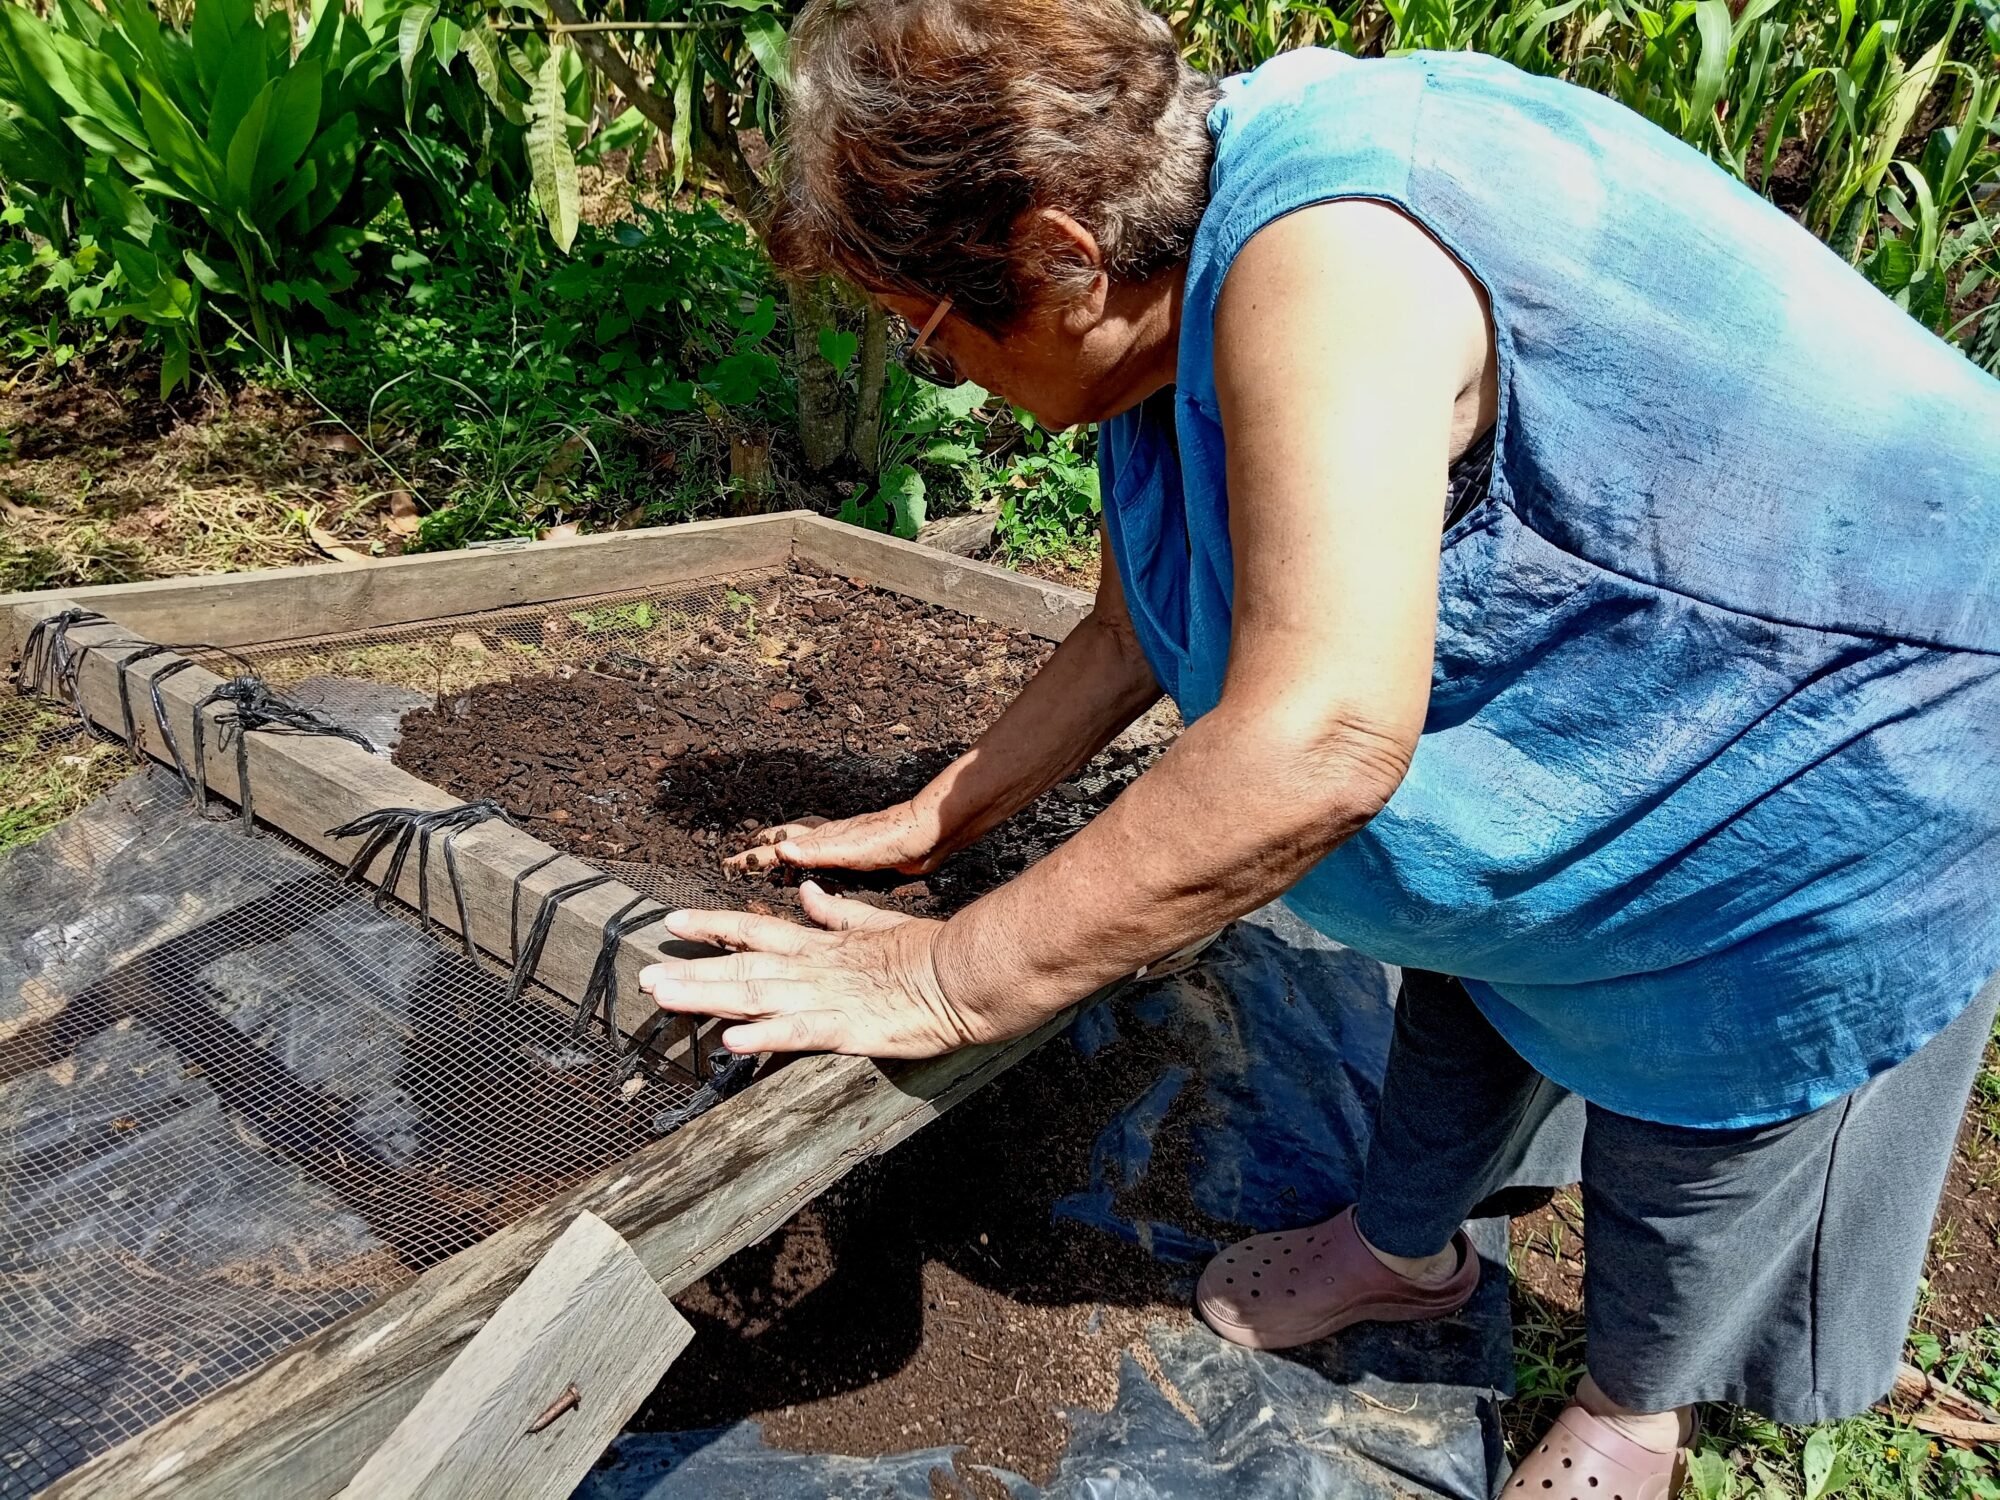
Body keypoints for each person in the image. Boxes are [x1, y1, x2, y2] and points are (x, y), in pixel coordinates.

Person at [637, 1, 2000, 1492]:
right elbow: (1134, 621)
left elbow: (1325, 736)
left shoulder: (1333, 263)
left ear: (1058, 256)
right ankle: (1404, 1250)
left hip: (1839, 702)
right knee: (1475, 977)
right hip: (1621, 693)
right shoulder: (1180, 228)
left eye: (932, 331)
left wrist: (946, 974)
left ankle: (1633, 1410)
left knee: (1708, 1110)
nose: (943, 375)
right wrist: (946, 814)